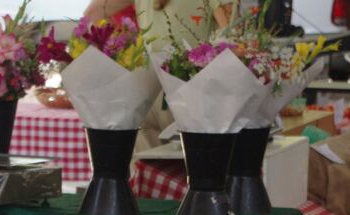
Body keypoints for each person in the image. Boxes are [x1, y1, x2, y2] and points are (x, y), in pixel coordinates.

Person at [83, 0, 239, 149]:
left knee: (148, 169)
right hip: (190, 95)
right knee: (199, 171)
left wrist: (124, 44)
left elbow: (93, 12)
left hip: (146, 92)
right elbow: (233, 36)